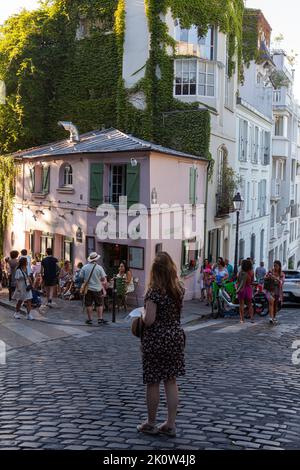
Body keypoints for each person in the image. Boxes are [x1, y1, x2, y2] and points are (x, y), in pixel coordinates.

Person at [137, 252, 185, 438]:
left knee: (153, 381)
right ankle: (171, 424)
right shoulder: (178, 289)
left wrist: (141, 314)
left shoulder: (154, 292)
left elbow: (149, 320)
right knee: (171, 381)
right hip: (174, 338)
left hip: (156, 340)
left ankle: (151, 423)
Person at [79, 252, 107, 325]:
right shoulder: (99, 268)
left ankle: (90, 319)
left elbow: (80, 277)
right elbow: (103, 278)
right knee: (99, 304)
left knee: (89, 304)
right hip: (97, 289)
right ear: (96, 259)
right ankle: (100, 319)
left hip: (88, 289)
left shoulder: (84, 267)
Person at [264, 260, 285, 325]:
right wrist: (268, 277)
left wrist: (275, 278)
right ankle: (271, 318)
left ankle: (274, 317)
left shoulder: (281, 274)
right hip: (270, 290)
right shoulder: (270, 271)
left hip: (277, 290)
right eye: (274, 265)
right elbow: (265, 278)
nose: (275, 267)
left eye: (276, 266)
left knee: (275, 304)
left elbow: (281, 282)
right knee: (271, 303)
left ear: (279, 266)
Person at [236, 259, 254, 324]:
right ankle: (251, 318)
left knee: (241, 304)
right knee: (249, 304)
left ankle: (242, 319)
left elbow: (237, 281)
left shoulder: (240, 272)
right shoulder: (251, 272)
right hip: (248, 288)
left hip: (241, 289)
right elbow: (252, 281)